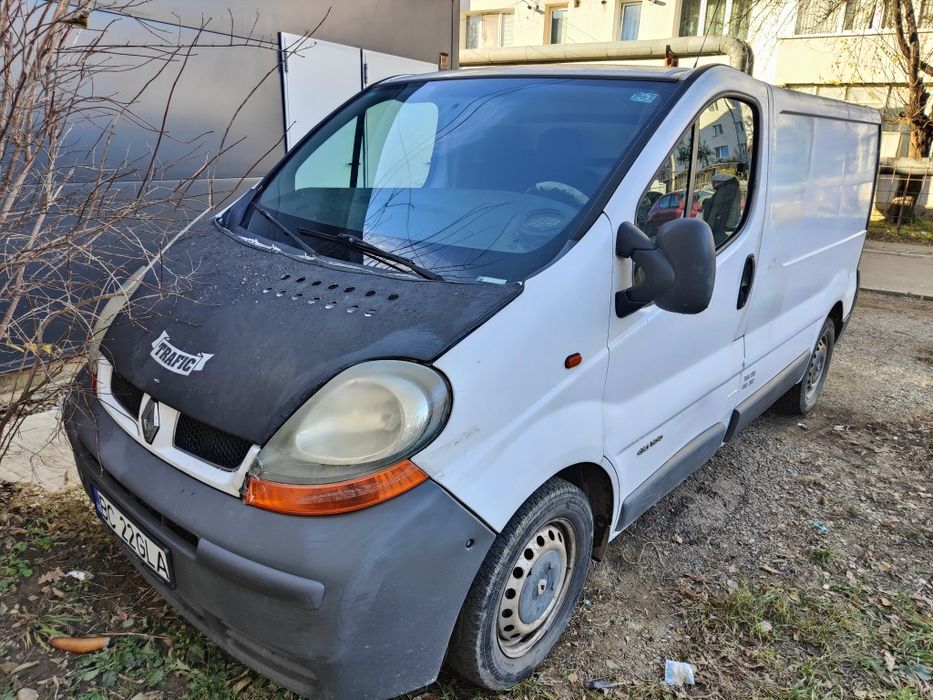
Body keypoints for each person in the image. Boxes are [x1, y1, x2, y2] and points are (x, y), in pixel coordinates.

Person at [703, 172, 741, 245]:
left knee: (718, 242)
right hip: (730, 221)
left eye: (714, 182)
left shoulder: (723, 191)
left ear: (720, 182)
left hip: (721, 222)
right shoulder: (734, 189)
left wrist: (709, 227)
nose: (712, 184)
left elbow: (715, 209)